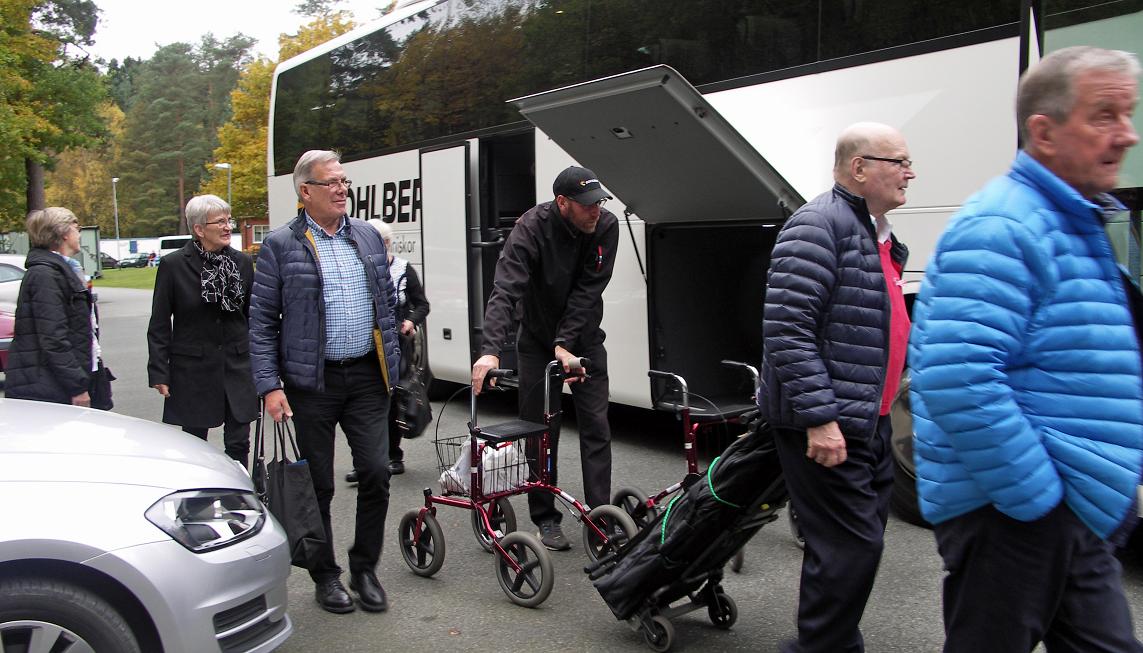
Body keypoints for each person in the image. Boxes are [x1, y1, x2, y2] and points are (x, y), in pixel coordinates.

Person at [909, 46, 1143, 652]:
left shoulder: (1068, 219)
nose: (1128, 134)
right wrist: (1037, 499)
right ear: (1043, 132)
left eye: (1128, 114)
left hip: (1065, 506)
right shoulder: (1003, 225)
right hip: (1017, 513)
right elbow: (957, 377)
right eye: (1105, 116)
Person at [757, 122, 914, 653]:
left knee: (856, 545)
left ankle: (828, 642)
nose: (909, 173)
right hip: (831, 421)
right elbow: (786, 329)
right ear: (859, 168)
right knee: (851, 546)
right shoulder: (818, 225)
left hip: (869, 417)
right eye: (899, 162)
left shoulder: (875, 232)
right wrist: (821, 418)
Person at [249, 150, 402, 615]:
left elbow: (386, 304)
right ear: (305, 191)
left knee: (375, 472)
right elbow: (261, 321)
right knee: (318, 484)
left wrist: (395, 361)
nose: (341, 190)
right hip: (312, 383)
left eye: (344, 182)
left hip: (367, 377)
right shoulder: (281, 244)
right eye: (331, 183)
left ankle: (364, 569)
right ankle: (325, 575)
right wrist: (269, 385)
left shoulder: (367, 236)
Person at [471, 165, 618, 552]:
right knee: (540, 432)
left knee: (596, 427)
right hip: (537, 341)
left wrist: (566, 342)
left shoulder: (606, 226)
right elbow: (506, 289)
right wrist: (490, 351)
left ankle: (600, 518)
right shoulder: (531, 228)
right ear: (562, 202)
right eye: (587, 205)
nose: (595, 210)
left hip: (584, 339)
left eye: (599, 202)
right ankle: (545, 518)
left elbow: (589, 290)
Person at [146, 194, 257, 466]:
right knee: (194, 446)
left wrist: (264, 365)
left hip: (237, 367)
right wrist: (159, 371)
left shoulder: (242, 263)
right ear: (199, 229)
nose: (227, 227)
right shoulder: (174, 265)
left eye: (228, 220)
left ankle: (239, 491)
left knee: (239, 443)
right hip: (193, 370)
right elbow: (160, 322)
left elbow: (252, 318)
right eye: (219, 222)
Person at [345, 220, 430, 483]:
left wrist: (410, 321)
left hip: (395, 345)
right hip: (364, 344)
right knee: (363, 406)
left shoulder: (403, 268)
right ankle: (365, 462)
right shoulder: (355, 267)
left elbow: (422, 304)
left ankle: (393, 455)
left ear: (386, 243)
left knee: (392, 402)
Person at [6, 208, 104, 407]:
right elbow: (53, 338)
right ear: (64, 233)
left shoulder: (62, 269)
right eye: (77, 229)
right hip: (51, 387)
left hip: (62, 381)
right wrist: (77, 386)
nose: (79, 234)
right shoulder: (45, 275)